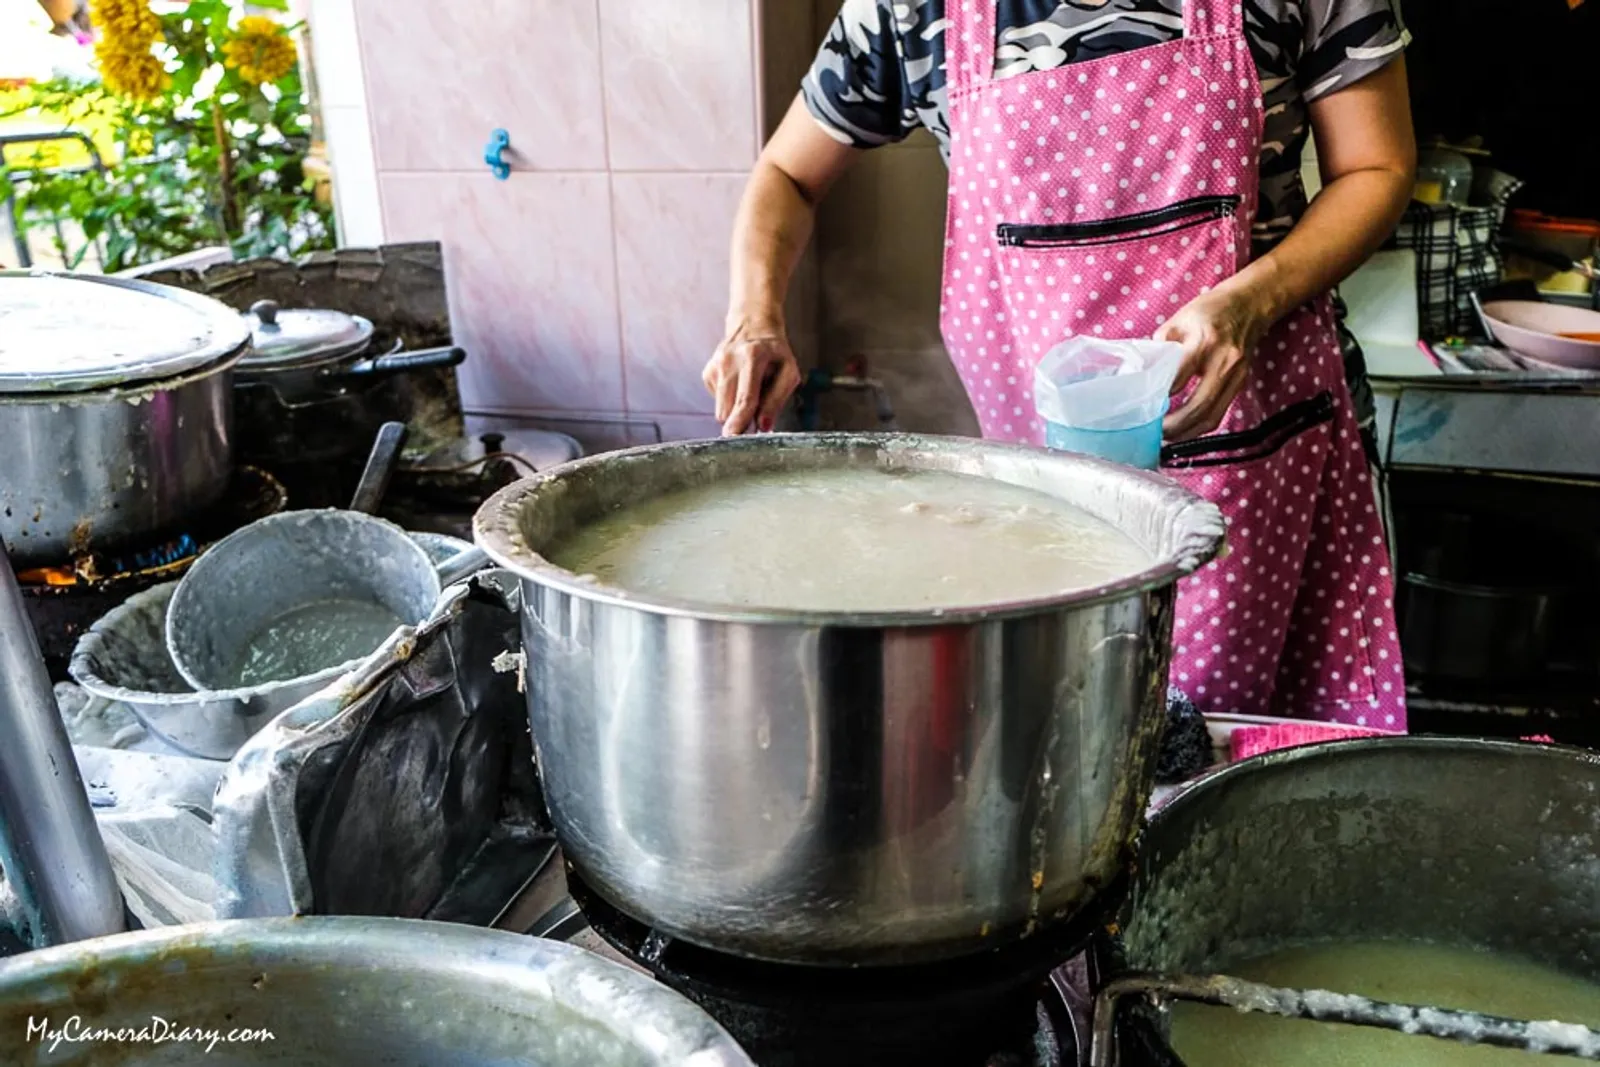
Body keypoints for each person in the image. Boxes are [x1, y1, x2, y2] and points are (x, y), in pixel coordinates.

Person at [702, 0, 1415, 728]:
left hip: (1265, 461)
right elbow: (787, 173)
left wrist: (1249, 305)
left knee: (1241, 784)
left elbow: (1377, 164)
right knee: (1062, 765)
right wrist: (754, 316)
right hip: (1041, 488)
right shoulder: (906, 10)